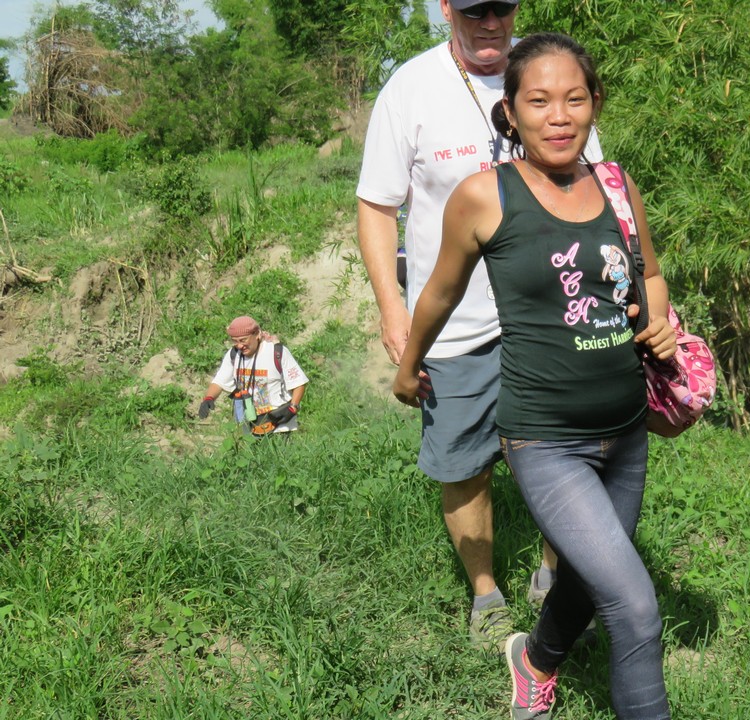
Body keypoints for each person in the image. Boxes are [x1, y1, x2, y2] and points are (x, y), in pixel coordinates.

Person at [392, 32, 675, 720]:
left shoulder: (616, 185)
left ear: (595, 103)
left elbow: (651, 274)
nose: (559, 116)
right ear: (511, 113)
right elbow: (439, 291)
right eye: (539, 101)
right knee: (635, 608)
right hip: (546, 439)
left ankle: (535, 662)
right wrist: (409, 365)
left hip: (626, 432)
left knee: (584, 577)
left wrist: (661, 321)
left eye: (574, 99)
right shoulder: (485, 196)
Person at [356, 0, 603, 651]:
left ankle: (554, 578)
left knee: (563, 456)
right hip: (454, 326)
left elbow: (594, 184)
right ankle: (486, 595)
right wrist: (393, 308)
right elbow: (377, 205)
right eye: (474, 10)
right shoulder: (410, 89)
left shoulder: (548, 73)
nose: (490, 21)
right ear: (445, 8)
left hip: (550, 316)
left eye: (502, 7)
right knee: (464, 466)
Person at [198, 316, 308, 437]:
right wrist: (208, 399)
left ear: (257, 334)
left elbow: (298, 383)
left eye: (243, 340)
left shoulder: (276, 352)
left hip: (279, 424)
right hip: (249, 424)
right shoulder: (234, 355)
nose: (239, 346)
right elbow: (219, 382)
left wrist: (293, 407)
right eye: (235, 341)